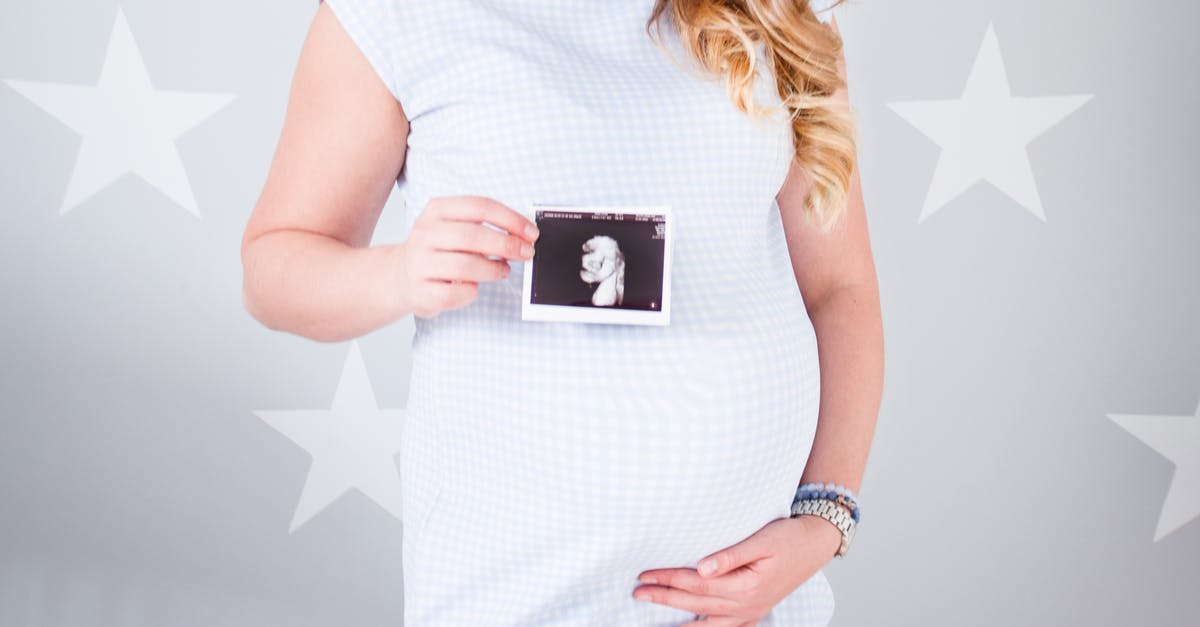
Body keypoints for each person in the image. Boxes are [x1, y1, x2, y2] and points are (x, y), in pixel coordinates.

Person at [240, 0, 883, 625]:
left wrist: (824, 520)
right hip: (517, 595)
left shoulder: (773, 9)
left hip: (748, 601)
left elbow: (840, 288)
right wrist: (398, 272)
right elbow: (271, 271)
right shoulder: (398, 12)